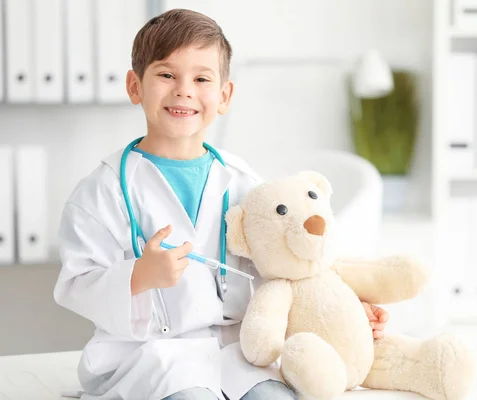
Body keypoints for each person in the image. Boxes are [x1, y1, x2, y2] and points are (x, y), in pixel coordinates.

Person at [54, 8, 389, 400]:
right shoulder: (102, 191)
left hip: (233, 351)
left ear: (224, 95)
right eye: (166, 74)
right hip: (146, 355)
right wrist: (139, 276)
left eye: (201, 78)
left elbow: (287, 268)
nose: (184, 90)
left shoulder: (245, 182)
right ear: (135, 86)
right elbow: (77, 282)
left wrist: (345, 309)